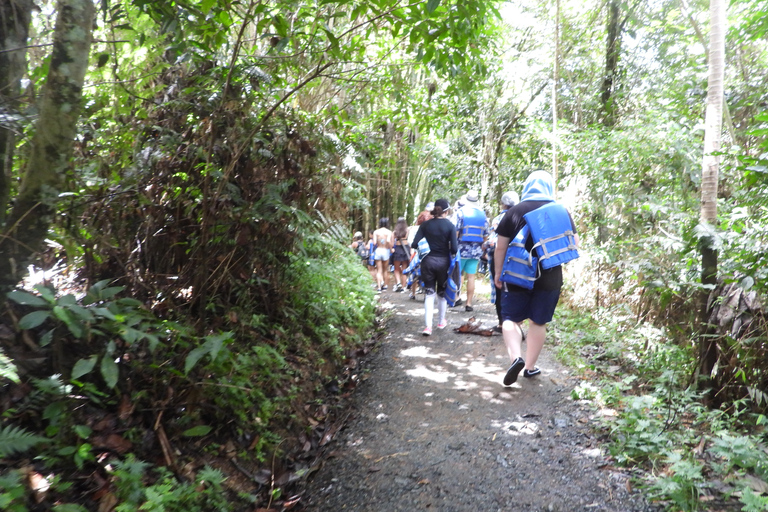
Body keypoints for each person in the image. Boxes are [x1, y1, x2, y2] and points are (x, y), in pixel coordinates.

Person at [493, 171, 579, 386]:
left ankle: (516, 358)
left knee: (511, 318)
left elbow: (500, 247)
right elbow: (574, 244)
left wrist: (497, 273)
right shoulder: (561, 211)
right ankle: (529, 368)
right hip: (549, 275)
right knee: (538, 321)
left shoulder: (514, 212)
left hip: (517, 272)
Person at [411, 199, 458, 336]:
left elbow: (414, 244)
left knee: (429, 293)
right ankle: (441, 321)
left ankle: (427, 327)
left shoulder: (425, 225)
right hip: (443, 262)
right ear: (446, 211)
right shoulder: (450, 226)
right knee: (441, 294)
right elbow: (454, 248)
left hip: (427, 262)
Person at [486, 191, 519, 332]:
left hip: (500, 257)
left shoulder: (498, 219)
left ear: (503, 204)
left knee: (499, 288)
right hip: (517, 259)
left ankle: (502, 323)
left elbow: (494, 241)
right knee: (517, 290)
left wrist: (486, 245)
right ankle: (516, 323)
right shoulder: (521, 216)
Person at [454, 189, 489, 312]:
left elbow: (456, 231)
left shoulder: (461, 212)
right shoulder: (482, 214)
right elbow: (486, 234)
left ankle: (456, 297)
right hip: (476, 251)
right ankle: (468, 303)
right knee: (471, 277)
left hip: (461, 249)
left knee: (458, 274)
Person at [373, 218, 394, 291]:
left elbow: (374, 243)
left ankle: (379, 287)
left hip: (378, 250)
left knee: (379, 270)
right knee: (385, 270)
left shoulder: (376, 232)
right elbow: (388, 241)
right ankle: (385, 286)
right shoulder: (389, 232)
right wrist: (391, 249)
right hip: (385, 250)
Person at [390, 218, 411, 292]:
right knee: (404, 269)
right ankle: (403, 287)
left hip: (398, 249)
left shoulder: (394, 232)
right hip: (406, 249)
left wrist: (391, 249)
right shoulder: (407, 230)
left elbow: (392, 244)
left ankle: (398, 283)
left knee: (396, 268)